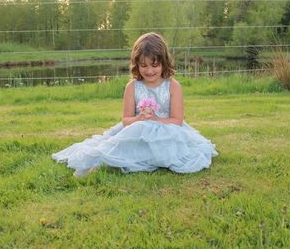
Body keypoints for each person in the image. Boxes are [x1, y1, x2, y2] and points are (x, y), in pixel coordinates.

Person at [52, 32, 218, 177]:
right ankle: (98, 161)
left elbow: (177, 121)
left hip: (168, 131)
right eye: (143, 65)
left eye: (155, 65)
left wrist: (155, 120)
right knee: (135, 130)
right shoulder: (132, 87)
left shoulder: (173, 86)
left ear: (164, 63)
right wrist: (140, 117)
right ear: (136, 64)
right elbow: (126, 121)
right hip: (137, 128)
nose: (149, 71)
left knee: (153, 136)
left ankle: (146, 156)